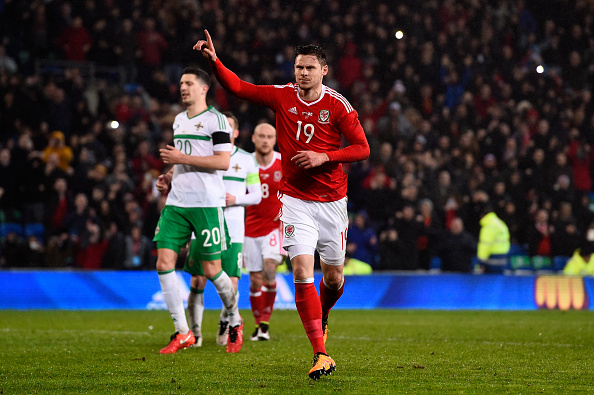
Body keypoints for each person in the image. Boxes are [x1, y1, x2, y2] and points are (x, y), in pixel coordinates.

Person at [195, 30, 370, 379]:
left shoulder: (338, 105)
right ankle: (320, 353)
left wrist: (326, 156)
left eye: (309, 67)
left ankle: (323, 317)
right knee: (303, 271)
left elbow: (362, 148)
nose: (302, 73)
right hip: (295, 201)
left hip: (332, 202)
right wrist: (215, 63)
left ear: (324, 71)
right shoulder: (282, 96)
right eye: (298, 67)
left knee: (333, 279)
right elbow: (240, 88)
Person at [153, 66, 243, 355]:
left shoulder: (217, 121)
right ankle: (183, 332)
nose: (183, 88)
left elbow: (222, 162)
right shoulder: (179, 120)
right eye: (181, 83)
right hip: (178, 202)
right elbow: (184, 160)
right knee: (163, 262)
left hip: (206, 203)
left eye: (189, 83)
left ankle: (235, 318)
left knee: (213, 270)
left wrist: (180, 157)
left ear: (204, 88)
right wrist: (170, 173)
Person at [183, 112, 262, 348]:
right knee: (198, 280)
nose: (225, 131)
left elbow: (257, 195)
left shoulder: (248, 159)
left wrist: (234, 198)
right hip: (205, 223)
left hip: (234, 227)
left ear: (236, 132)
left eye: (229, 127)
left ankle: (225, 324)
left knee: (233, 283)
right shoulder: (205, 157)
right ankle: (195, 334)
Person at [242, 123, 285, 342]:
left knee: (270, 271)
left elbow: (295, 190)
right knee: (255, 281)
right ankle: (259, 326)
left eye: (270, 136)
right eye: (261, 136)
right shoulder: (245, 163)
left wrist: (287, 211)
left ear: (275, 139)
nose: (265, 140)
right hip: (249, 229)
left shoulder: (282, 162)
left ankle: (265, 325)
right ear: (253, 138)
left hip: (273, 228)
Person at [476, 203, 511, 273]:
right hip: (503, 258)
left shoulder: (488, 226)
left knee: (489, 281)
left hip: (492, 259)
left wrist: (481, 262)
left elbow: (484, 245)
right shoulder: (501, 223)